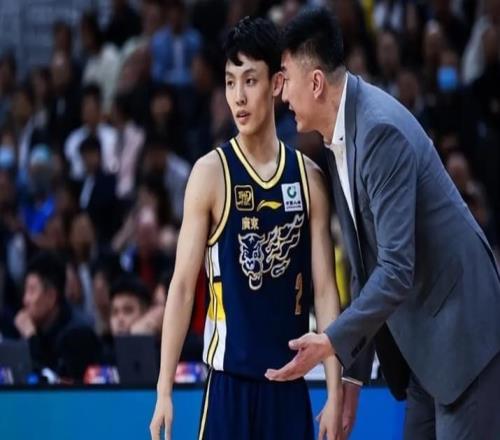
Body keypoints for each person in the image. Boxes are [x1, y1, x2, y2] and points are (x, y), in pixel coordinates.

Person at [266, 8, 500, 440]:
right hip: (426, 347)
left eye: (286, 78)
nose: (282, 95)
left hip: (465, 338)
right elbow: (365, 267)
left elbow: (394, 268)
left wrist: (330, 341)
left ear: (315, 83)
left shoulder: (378, 132)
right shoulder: (341, 134)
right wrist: (352, 379)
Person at [150, 17, 343, 440]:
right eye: (230, 82)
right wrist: (164, 389)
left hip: (289, 388)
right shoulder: (209, 174)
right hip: (229, 386)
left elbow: (326, 290)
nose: (238, 96)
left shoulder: (309, 179)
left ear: (277, 84)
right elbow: (181, 287)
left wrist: (334, 391)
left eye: (250, 81)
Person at [13, 251, 101, 381]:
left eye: (32, 291)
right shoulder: (37, 328)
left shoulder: (77, 334)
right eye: (25, 291)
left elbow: (55, 383)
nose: (25, 300)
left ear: (51, 296)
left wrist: (31, 338)